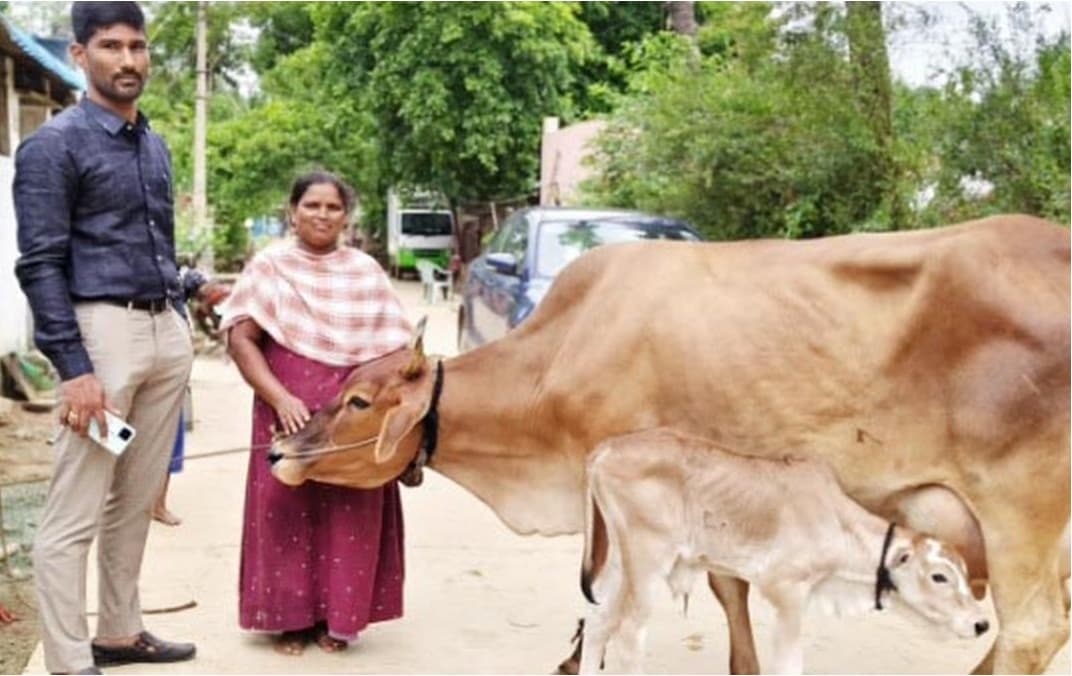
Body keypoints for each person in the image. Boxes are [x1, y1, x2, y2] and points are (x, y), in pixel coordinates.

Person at [13, 3, 196, 673]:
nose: (128, 60)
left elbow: (147, 243)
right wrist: (74, 367)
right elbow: (39, 263)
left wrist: (181, 302)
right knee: (74, 512)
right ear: (81, 54)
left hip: (162, 334)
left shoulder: (152, 142)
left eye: (138, 46)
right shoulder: (53, 146)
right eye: (111, 46)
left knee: (136, 498)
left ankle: (119, 632)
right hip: (102, 340)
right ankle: (68, 659)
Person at [220, 171, 411, 656]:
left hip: (352, 418)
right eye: (312, 205)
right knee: (284, 505)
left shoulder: (365, 271)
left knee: (351, 508)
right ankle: (290, 620)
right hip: (286, 408)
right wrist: (280, 397)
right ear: (292, 210)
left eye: (333, 207)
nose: (322, 215)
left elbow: (395, 350)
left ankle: (339, 619)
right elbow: (241, 339)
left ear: (345, 217)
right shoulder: (270, 268)